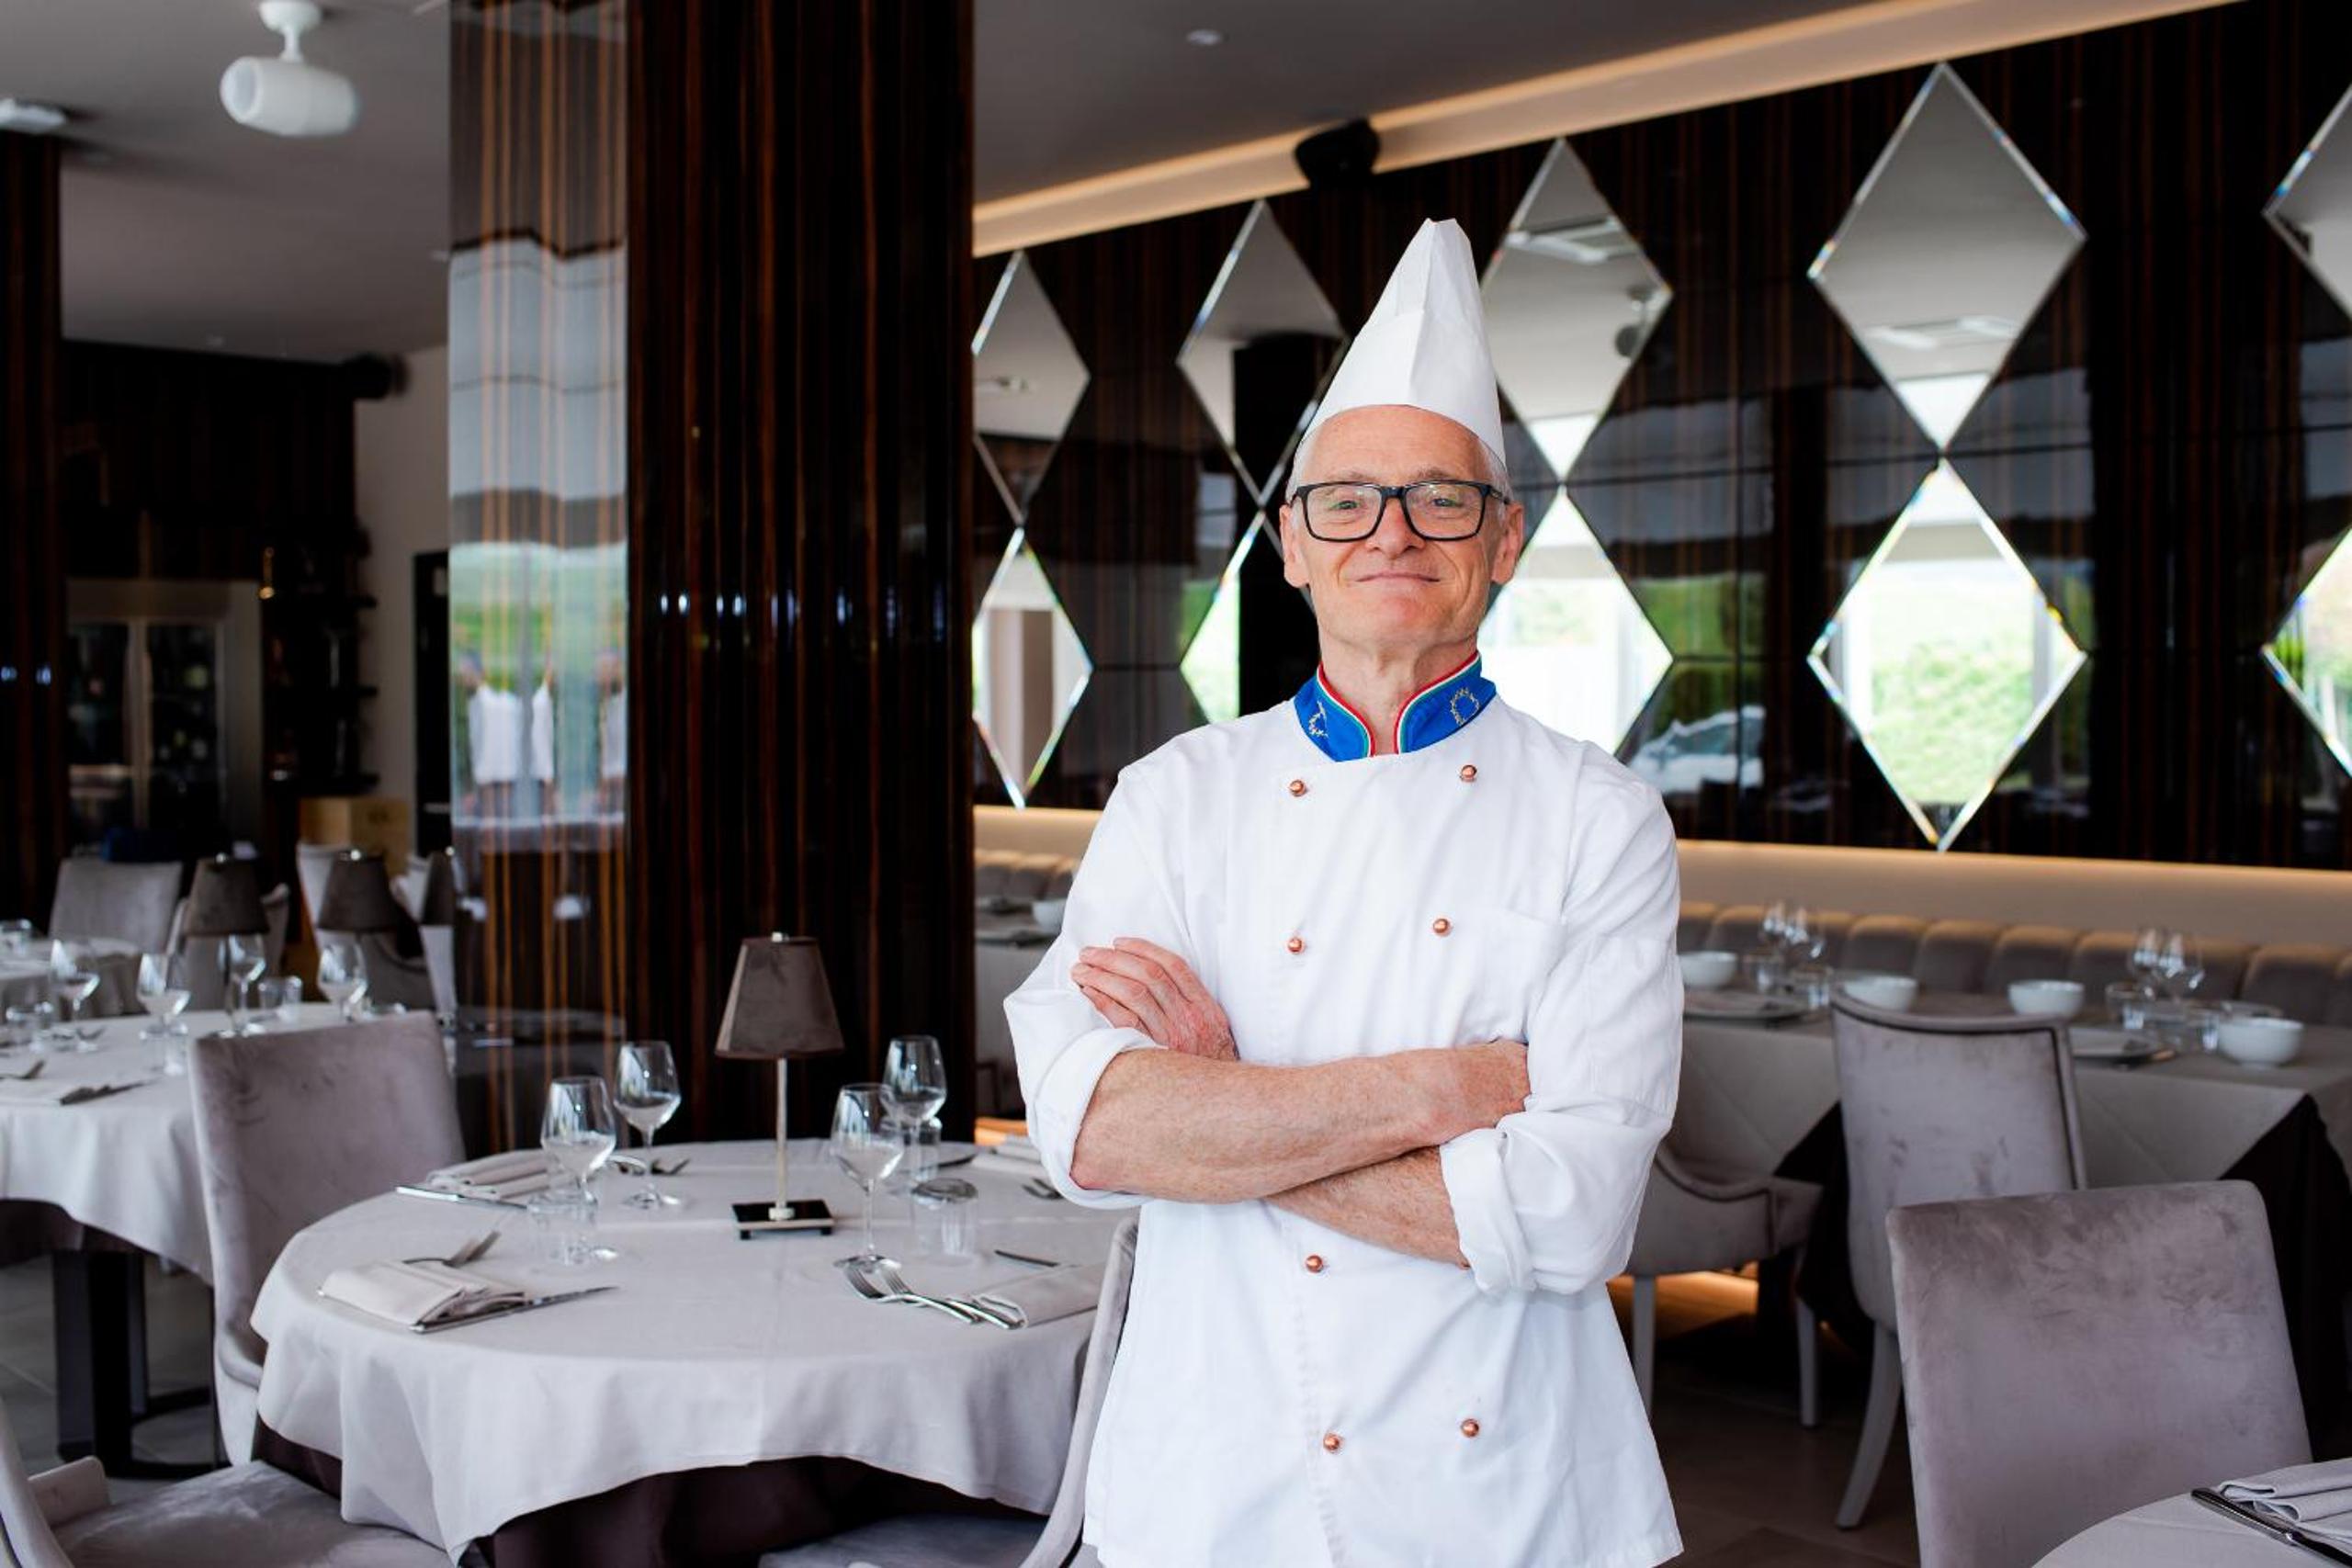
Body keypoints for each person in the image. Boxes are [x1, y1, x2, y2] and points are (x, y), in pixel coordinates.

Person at [1009, 219, 1684, 1567]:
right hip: (1214, 1467)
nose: (1393, 531)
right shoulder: (1173, 797)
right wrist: (1458, 1086)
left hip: (1498, 1490)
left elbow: (1572, 1216)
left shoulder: (1599, 818)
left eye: (1442, 499)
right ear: (1294, 546)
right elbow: (1093, 1136)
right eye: (1347, 501)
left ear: (1504, 540)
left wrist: (1225, 1111)